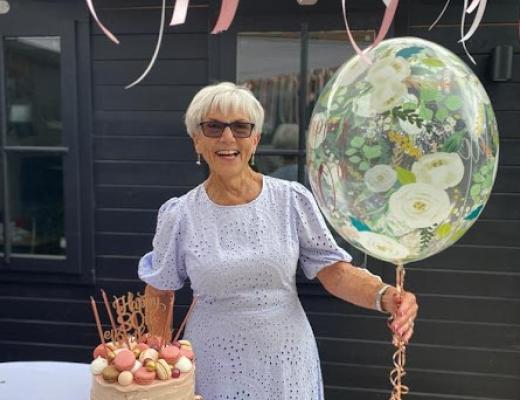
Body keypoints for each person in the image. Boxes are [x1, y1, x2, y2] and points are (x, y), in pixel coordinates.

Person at [138, 82, 418, 400]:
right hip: (212, 363)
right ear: (197, 141)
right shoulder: (180, 214)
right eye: (213, 127)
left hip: (286, 362)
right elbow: (159, 289)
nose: (227, 137)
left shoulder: (291, 200)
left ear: (255, 140)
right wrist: (158, 363)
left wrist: (384, 295)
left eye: (241, 127)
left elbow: (336, 273)